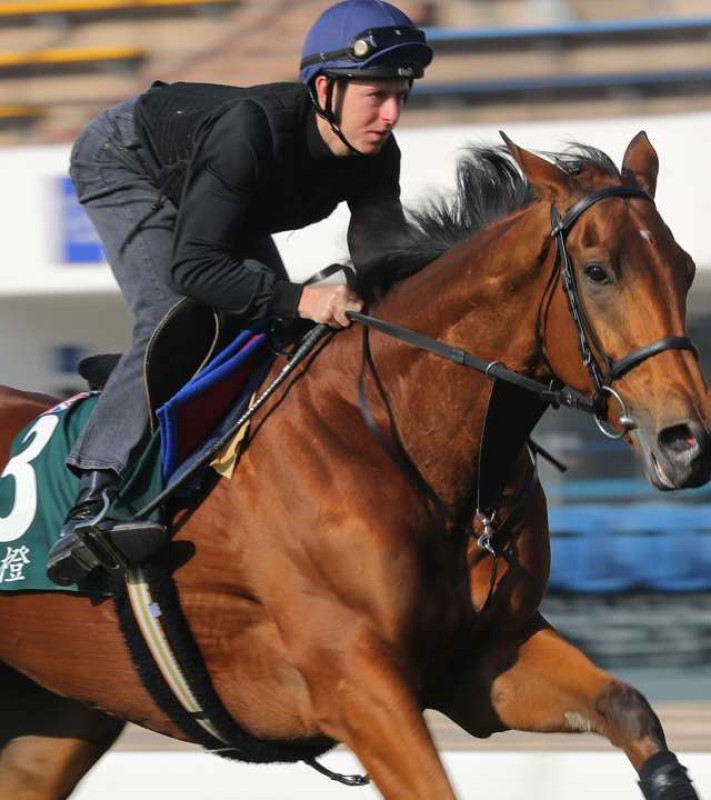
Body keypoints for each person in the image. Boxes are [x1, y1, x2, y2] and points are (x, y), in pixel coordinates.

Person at [46, 0, 433, 585]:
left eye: (401, 96)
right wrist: (304, 298)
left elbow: (385, 259)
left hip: (219, 186)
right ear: (325, 89)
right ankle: (92, 497)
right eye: (375, 96)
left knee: (272, 324)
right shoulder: (249, 134)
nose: (390, 114)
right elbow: (194, 268)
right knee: (174, 312)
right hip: (127, 159)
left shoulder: (375, 153)